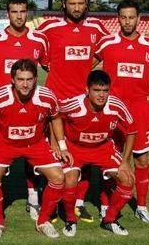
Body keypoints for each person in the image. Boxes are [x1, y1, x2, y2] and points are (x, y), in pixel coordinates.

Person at [0, 59, 71, 239]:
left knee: (58, 176)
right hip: (4, 144)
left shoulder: (47, 96)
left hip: (36, 143)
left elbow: (55, 118)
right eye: (21, 79)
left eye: (29, 79)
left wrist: (61, 146)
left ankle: (42, 221)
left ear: (35, 79)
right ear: (12, 80)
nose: (25, 84)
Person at [35, 0, 111, 223]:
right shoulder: (48, 27)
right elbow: (35, 49)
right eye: (72, 3)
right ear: (63, 5)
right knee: (52, 153)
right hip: (56, 103)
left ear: (86, 4)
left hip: (84, 104)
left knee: (84, 155)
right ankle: (49, 201)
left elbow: (108, 48)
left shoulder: (96, 27)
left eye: (81, 3)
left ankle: (77, 203)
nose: (76, 7)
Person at [93, 0, 149, 223]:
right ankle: (105, 205)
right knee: (110, 160)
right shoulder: (107, 44)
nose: (127, 21)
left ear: (138, 18)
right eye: (123, 17)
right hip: (112, 108)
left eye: (131, 17)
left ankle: (141, 206)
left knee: (141, 159)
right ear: (118, 19)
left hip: (139, 108)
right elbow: (87, 65)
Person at [0, 0, 49, 220]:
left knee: (32, 158)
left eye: (23, 11)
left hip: (31, 111)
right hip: (1, 113)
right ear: (7, 14)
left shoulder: (39, 40)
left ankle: (33, 199)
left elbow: (52, 66)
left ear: (27, 13)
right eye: (14, 11)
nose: (19, 16)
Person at [59, 70, 137, 236]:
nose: (101, 95)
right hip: (75, 148)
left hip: (102, 148)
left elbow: (132, 130)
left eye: (105, 90)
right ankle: (71, 219)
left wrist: (125, 161)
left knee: (128, 179)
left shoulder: (116, 105)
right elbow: (55, 116)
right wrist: (59, 145)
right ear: (87, 89)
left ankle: (109, 219)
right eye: (96, 90)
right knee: (70, 179)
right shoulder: (74, 104)